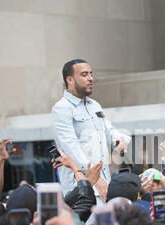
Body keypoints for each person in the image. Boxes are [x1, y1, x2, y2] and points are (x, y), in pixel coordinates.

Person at [51, 59, 131, 203]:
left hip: (105, 184)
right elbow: (70, 148)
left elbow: (108, 129)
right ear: (69, 79)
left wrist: (118, 139)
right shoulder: (61, 109)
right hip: (81, 189)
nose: (90, 78)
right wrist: (95, 178)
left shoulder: (95, 105)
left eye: (91, 74)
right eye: (84, 74)